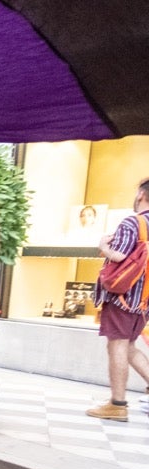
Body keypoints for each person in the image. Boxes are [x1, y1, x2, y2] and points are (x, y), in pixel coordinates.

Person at [85, 178, 149, 421]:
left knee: (117, 346)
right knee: (129, 346)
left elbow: (119, 256)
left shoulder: (133, 222)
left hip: (123, 297)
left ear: (141, 194)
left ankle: (117, 404)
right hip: (144, 301)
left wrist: (103, 246)